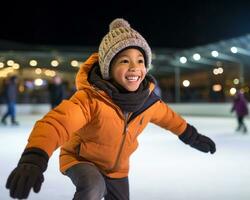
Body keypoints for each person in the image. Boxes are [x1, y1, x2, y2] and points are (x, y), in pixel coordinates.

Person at [5, 18, 216, 200]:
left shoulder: (148, 103)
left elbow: (169, 118)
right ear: (108, 69)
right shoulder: (91, 99)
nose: (135, 67)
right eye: (125, 61)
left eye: (140, 61)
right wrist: (34, 158)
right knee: (94, 184)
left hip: (117, 169)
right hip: (81, 159)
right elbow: (57, 123)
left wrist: (191, 135)